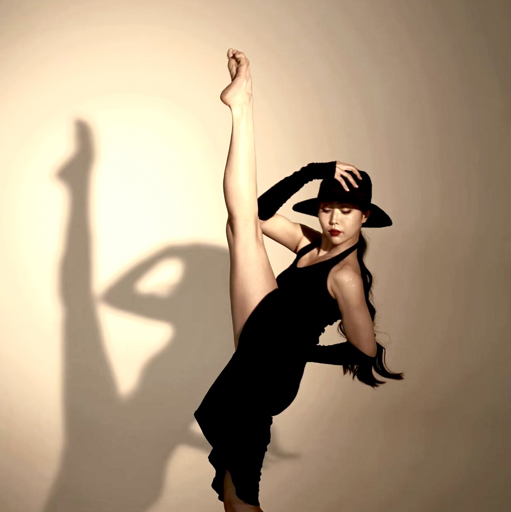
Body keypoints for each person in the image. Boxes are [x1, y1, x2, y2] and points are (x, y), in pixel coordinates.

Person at [194, 48, 404, 512]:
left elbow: (365, 351)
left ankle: (242, 106)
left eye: (346, 211)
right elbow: (260, 211)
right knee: (241, 223)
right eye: (327, 208)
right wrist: (312, 172)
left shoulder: (346, 276)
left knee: (242, 496)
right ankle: (242, 105)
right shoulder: (310, 243)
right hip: (261, 334)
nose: (334, 219)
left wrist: (299, 351)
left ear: (365, 217)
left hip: (271, 372)